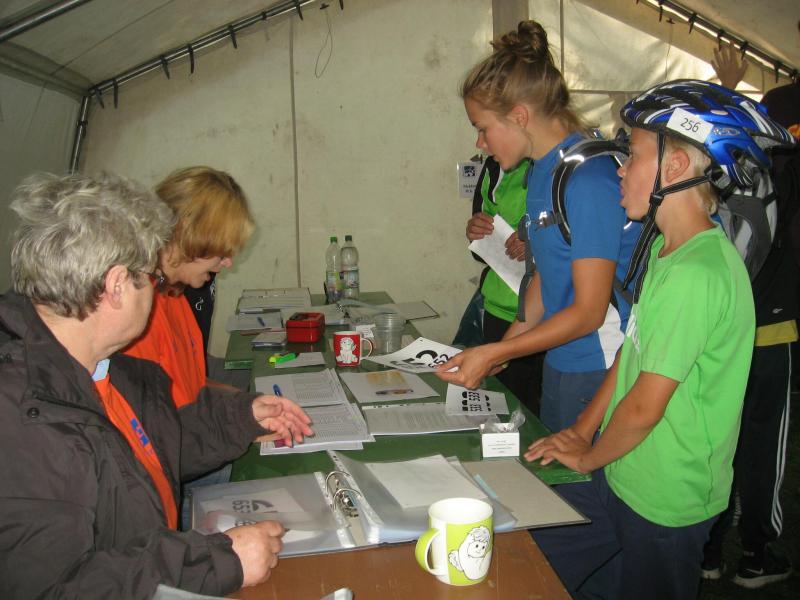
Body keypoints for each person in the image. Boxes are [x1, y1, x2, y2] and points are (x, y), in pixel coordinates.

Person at [525, 79, 794, 600]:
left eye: (633, 154)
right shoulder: (666, 250)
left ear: (674, 168)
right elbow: (631, 349)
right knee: (537, 563)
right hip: (624, 469)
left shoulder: (698, 272)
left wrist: (589, 457)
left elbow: (646, 405)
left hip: (666, 500)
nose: (620, 168)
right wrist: (582, 430)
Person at [0, 172, 313, 598]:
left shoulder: (102, 370)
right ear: (116, 287)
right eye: (148, 275)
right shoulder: (25, 422)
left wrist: (242, 417)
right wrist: (213, 562)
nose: (156, 288)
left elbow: (151, 446)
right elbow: (54, 589)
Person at [437, 20, 640, 433]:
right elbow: (545, 285)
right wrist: (498, 353)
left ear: (519, 116)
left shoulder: (589, 179)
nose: (480, 144)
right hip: (562, 361)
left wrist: (496, 352)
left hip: (600, 366)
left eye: (482, 129)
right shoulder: (542, 172)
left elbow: (589, 312)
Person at [701, 34, 800, 588]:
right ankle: (759, 553)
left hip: (724, 315)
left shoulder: (778, 105)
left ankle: (708, 549)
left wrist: (726, 88)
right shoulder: (780, 105)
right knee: (764, 441)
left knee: (717, 433)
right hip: (770, 313)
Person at [465, 155, 544, 412]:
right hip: (500, 312)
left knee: (543, 413)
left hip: (551, 319)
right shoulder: (493, 166)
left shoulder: (560, 167)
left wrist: (538, 244)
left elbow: (576, 241)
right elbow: (480, 245)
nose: (481, 144)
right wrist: (476, 232)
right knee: (504, 410)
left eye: (485, 134)